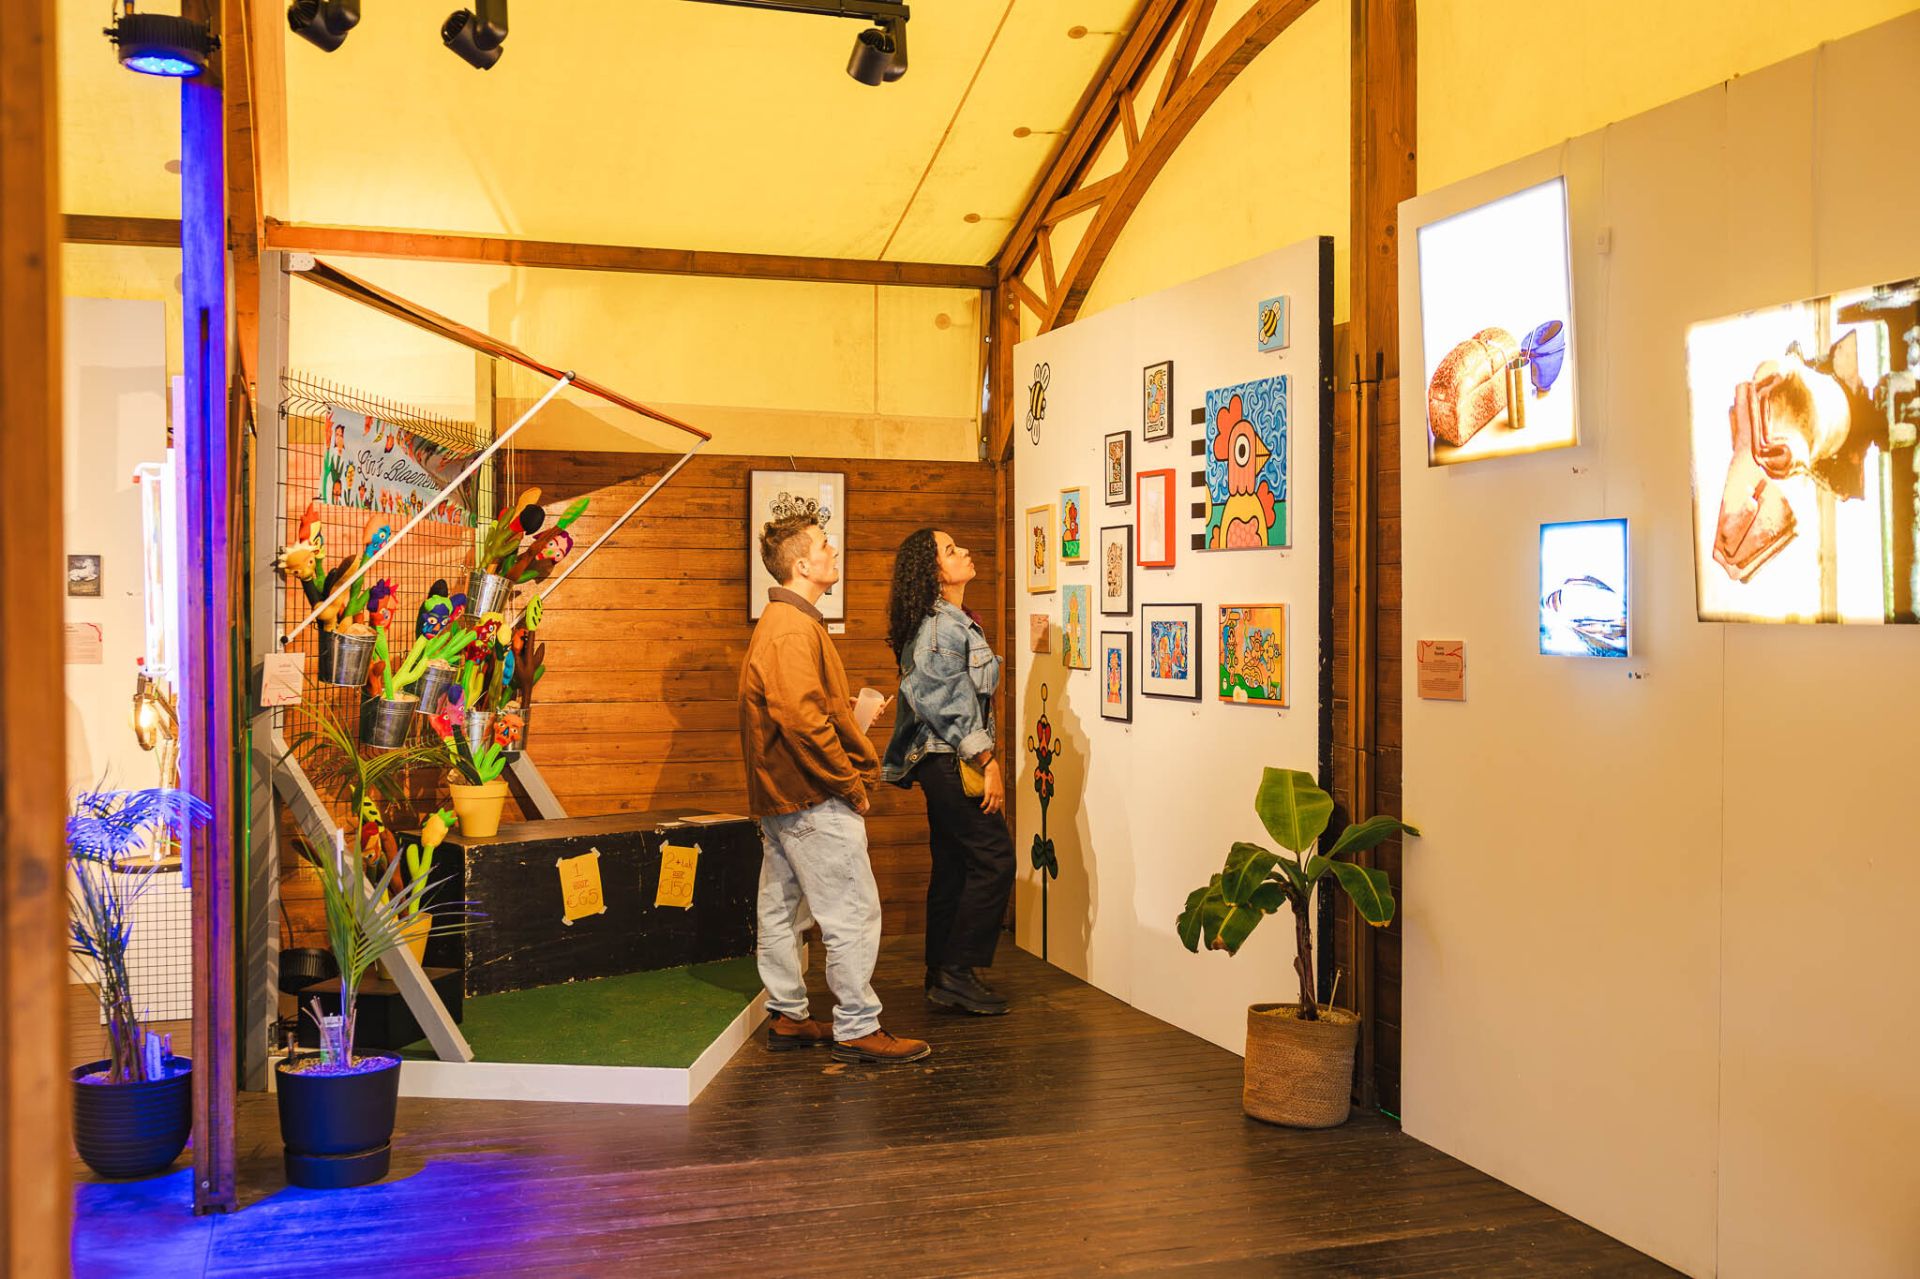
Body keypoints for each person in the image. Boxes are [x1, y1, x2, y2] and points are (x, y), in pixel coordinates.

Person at [739, 514, 931, 1065]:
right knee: (852, 913)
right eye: (825, 544)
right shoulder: (791, 629)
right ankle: (857, 1026)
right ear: (802, 564)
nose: (835, 550)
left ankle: (788, 1017)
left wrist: (843, 713)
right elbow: (801, 722)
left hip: (786, 795)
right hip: (812, 797)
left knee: (781, 910)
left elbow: (795, 709)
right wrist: (850, 784)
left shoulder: (787, 623)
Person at [881, 528, 1014, 1016]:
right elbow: (948, 706)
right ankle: (956, 971)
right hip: (951, 762)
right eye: (951, 551)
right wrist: (988, 762)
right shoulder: (939, 630)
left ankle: (942, 973)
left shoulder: (957, 622)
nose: (965, 552)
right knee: (995, 859)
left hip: (947, 761)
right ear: (934, 572)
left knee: (955, 865)